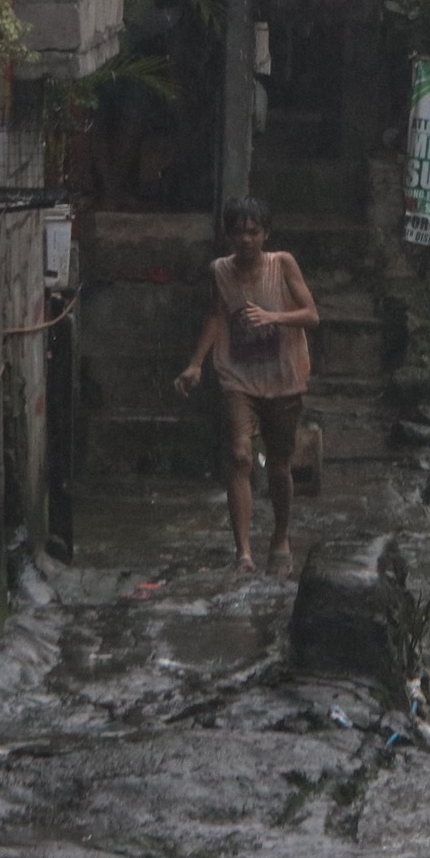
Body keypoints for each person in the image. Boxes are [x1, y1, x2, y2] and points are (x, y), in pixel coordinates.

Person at [176, 196, 320, 577]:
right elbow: (216, 316)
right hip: (238, 376)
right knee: (240, 455)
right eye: (238, 233)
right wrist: (195, 364)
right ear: (228, 236)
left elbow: (312, 315)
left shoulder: (282, 264)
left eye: (253, 232)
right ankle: (243, 552)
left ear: (266, 235)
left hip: (284, 376)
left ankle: (280, 537)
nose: (245, 240)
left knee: (278, 465)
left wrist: (272, 316)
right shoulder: (220, 271)